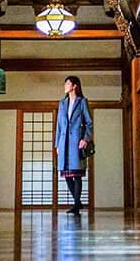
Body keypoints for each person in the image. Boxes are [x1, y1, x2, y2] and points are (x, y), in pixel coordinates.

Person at [54, 75, 93, 215]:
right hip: (63, 143)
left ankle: (76, 205)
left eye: (67, 84)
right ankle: (78, 202)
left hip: (77, 142)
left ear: (75, 86)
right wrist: (57, 144)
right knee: (67, 174)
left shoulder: (82, 102)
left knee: (76, 174)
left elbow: (89, 123)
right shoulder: (62, 103)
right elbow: (59, 125)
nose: (65, 86)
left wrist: (85, 139)